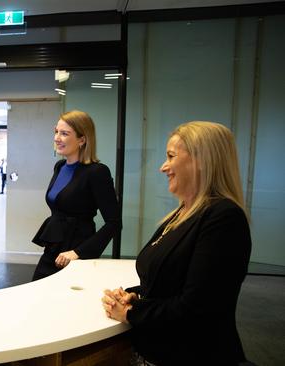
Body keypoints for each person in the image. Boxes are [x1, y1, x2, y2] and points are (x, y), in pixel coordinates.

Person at [101, 121, 252, 365]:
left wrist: (131, 312)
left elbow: (197, 307)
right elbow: (170, 283)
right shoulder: (182, 212)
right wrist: (135, 296)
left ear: (202, 160)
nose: (163, 167)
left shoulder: (224, 218)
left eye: (171, 156)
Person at [31, 110, 121, 281]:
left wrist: (77, 253)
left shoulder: (97, 172)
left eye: (64, 133)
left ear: (82, 139)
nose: (57, 137)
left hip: (76, 252)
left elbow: (114, 223)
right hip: (53, 247)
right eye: (56, 132)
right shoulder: (60, 166)